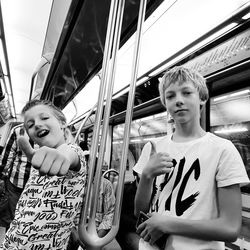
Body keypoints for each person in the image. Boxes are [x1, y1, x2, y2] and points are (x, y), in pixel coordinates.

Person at [134, 66, 250, 250]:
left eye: (187, 93)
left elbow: (230, 228)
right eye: (170, 96)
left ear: (202, 98)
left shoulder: (222, 150)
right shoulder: (152, 148)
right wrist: (147, 175)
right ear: (165, 103)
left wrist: (167, 224)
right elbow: (139, 211)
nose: (179, 100)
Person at [1, 99, 87, 250]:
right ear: (31, 136)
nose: (37, 124)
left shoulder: (74, 151)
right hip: (13, 242)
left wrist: (62, 156)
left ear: (62, 123)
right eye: (30, 125)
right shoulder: (37, 162)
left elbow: (68, 155)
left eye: (44, 118)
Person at [67, 155, 116, 250]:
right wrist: (74, 233)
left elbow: (109, 214)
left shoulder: (106, 185)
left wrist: (97, 237)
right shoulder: (73, 184)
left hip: (97, 228)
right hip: (75, 228)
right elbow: (66, 213)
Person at [0, 124, 34, 231]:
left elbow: (7, 158)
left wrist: (2, 175)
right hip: (41, 185)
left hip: (17, 182)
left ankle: (11, 243)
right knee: (32, 218)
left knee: (13, 218)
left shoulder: (18, 130)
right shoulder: (54, 128)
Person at [116, 171, 140, 250]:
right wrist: (137, 224)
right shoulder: (125, 189)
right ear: (136, 173)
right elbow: (118, 216)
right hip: (128, 230)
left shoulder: (154, 191)